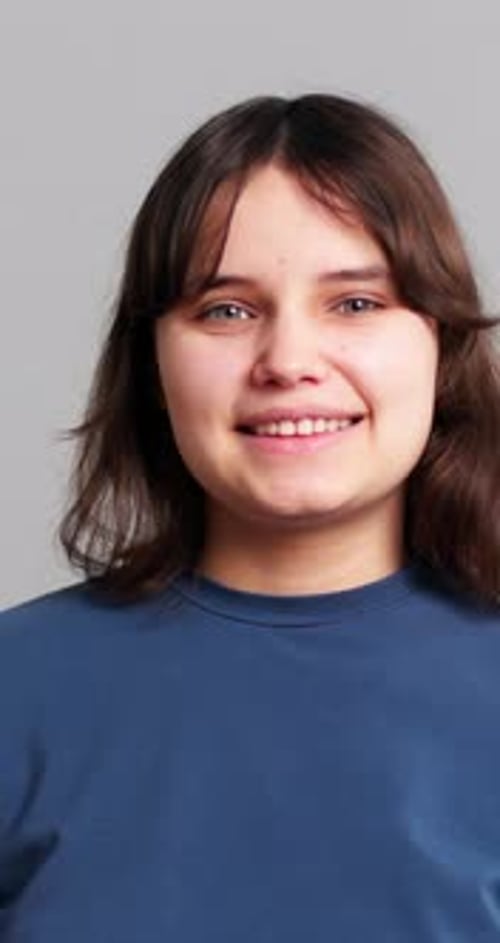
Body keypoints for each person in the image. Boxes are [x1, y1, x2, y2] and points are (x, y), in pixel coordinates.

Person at [0, 93, 499, 942]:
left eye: (356, 303)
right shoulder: (18, 688)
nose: (290, 362)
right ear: (151, 358)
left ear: (440, 342)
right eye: (226, 310)